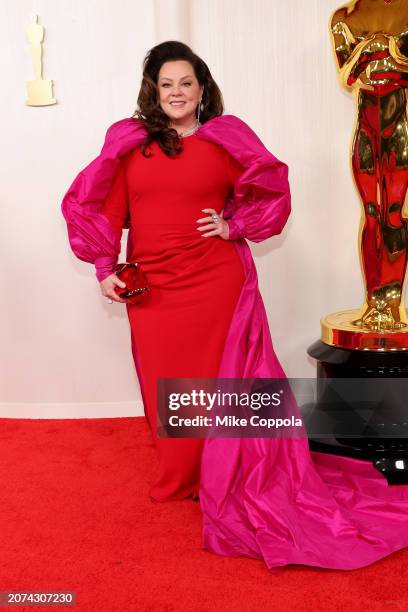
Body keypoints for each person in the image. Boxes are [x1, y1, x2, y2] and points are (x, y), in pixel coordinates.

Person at [62, 41, 408, 571]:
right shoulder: (129, 143)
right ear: (153, 90)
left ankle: (224, 474)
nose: (176, 92)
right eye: (166, 84)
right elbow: (104, 206)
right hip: (154, 286)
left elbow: (270, 190)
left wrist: (235, 226)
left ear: (202, 90)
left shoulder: (227, 138)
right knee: (166, 378)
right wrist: (104, 267)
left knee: (224, 378)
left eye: (186, 83)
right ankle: (183, 475)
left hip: (216, 280)